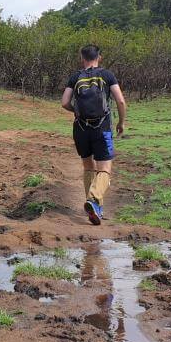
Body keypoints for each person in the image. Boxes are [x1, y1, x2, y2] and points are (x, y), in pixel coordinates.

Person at [61, 44, 126, 226]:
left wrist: (76, 111)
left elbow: (65, 102)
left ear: (82, 58)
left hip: (80, 129)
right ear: (100, 57)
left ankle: (95, 207)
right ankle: (94, 198)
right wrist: (121, 122)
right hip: (102, 127)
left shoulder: (75, 77)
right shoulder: (107, 75)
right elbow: (120, 100)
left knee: (88, 166)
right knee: (105, 168)